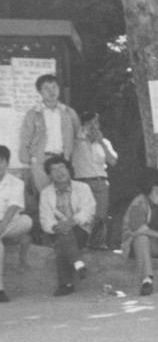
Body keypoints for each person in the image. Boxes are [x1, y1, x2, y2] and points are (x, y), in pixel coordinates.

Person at [39, 155, 95, 296]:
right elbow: (45, 218)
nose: (59, 172)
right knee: (63, 235)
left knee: (61, 244)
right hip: (56, 231)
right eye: (54, 170)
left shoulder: (82, 187)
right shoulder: (46, 193)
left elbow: (88, 210)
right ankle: (77, 262)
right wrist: (55, 226)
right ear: (49, 176)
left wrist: (72, 222)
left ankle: (65, 284)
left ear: (69, 170)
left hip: (80, 228)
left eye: (62, 168)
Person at [19, 73, 82, 192]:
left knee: (63, 194)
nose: (51, 91)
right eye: (46, 88)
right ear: (40, 92)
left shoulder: (69, 112)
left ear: (59, 89)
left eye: (54, 87)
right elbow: (25, 140)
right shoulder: (33, 114)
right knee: (45, 195)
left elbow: (78, 136)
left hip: (63, 160)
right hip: (40, 162)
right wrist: (25, 165)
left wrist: (71, 158)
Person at [71, 110, 118, 249]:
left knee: (100, 216)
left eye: (95, 123)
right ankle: (82, 244)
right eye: (89, 123)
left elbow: (113, 161)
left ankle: (98, 245)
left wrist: (101, 142)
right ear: (83, 125)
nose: (93, 126)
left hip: (101, 182)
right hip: (83, 182)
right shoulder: (76, 142)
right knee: (84, 215)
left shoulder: (105, 142)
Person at [120, 166, 158, 297]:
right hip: (139, 246)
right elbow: (138, 229)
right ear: (154, 186)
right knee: (141, 239)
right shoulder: (139, 202)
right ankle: (147, 280)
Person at [0, 145, 34, 303]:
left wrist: (2, 226)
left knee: (27, 221)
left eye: (1, 161)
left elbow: (13, 207)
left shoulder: (16, 182)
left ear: (7, 163)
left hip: (10, 222)